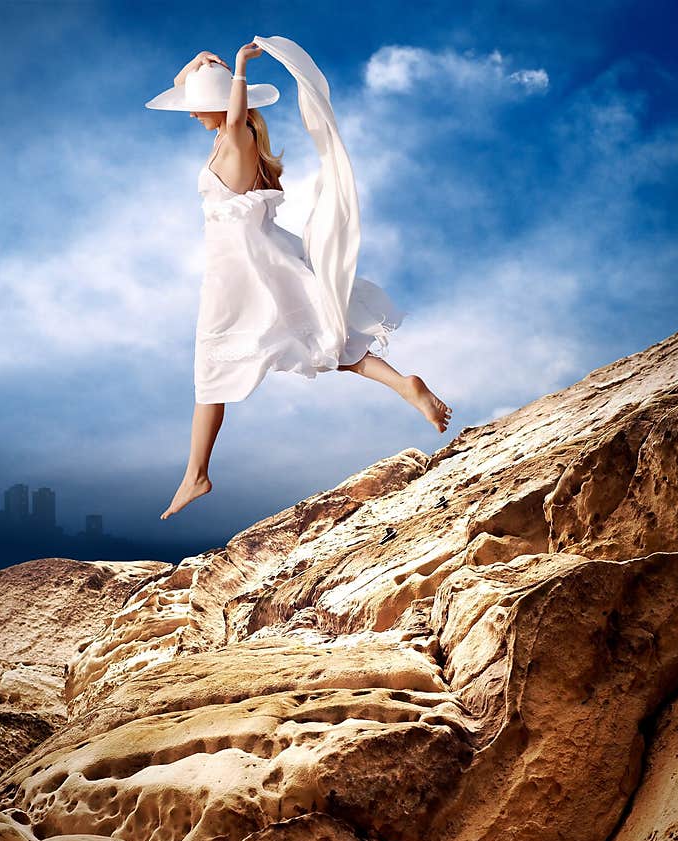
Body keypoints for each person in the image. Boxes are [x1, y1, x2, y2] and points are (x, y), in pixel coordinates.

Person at [145, 36, 451, 520]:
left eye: (201, 107)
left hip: (240, 272)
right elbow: (186, 91)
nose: (189, 113)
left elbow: (227, 107)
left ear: (225, 107)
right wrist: (198, 62)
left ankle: (196, 475)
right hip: (253, 262)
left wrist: (241, 66)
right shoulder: (231, 139)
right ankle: (403, 385)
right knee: (321, 339)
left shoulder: (236, 138)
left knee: (212, 371)